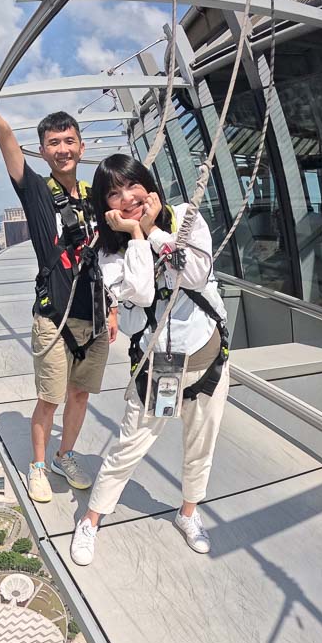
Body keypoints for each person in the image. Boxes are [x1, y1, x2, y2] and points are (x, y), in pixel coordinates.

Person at [0, 54, 117, 505]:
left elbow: (108, 258)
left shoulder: (96, 196)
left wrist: (113, 309)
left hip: (94, 320)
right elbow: (3, 133)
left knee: (80, 397)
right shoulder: (37, 191)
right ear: (42, 151)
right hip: (54, 318)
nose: (62, 148)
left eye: (69, 141)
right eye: (53, 142)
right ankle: (38, 467)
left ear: (81, 147)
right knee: (51, 399)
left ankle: (65, 454)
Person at [69, 154, 231, 566]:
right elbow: (140, 293)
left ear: (148, 184)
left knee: (201, 444)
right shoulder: (109, 253)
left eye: (132, 185)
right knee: (129, 446)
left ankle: (189, 513)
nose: (127, 198)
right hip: (158, 366)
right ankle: (91, 520)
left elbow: (194, 273)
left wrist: (156, 231)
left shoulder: (185, 218)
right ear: (104, 205)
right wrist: (137, 236)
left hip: (207, 355)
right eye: (114, 193)